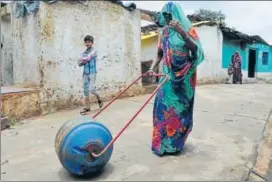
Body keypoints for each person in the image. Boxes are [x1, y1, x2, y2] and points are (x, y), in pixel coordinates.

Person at [147, 2, 204, 156]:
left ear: (177, 15)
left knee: (180, 111)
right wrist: (152, 68)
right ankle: (160, 145)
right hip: (166, 77)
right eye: (164, 15)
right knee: (162, 109)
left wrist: (182, 33)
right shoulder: (164, 32)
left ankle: (175, 145)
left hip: (184, 79)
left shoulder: (188, 29)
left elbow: (196, 51)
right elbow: (159, 54)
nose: (166, 18)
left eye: (169, 15)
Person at [78, 35, 103, 114]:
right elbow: (79, 63)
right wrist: (83, 60)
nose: (87, 43)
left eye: (89, 42)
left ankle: (99, 98)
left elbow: (88, 58)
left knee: (91, 89)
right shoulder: (84, 53)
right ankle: (87, 107)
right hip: (85, 73)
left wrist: (83, 59)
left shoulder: (94, 51)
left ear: (92, 42)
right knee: (85, 90)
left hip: (92, 73)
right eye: (86, 42)